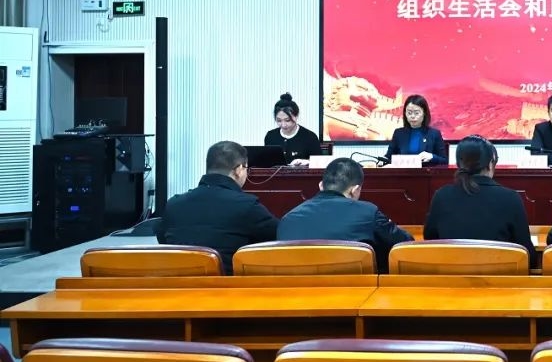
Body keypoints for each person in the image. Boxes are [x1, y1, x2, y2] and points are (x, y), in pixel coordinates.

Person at [155, 141, 278, 274]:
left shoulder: (173, 204)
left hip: (179, 284)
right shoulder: (247, 205)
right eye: (246, 168)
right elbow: (278, 237)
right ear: (238, 170)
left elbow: (163, 240)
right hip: (228, 285)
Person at [277, 157, 413, 272]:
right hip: (356, 292)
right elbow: (406, 246)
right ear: (355, 190)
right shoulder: (368, 213)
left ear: (321, 186)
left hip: (294, 293)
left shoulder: (288, 219)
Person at [424, 135, 537, 266]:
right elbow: (527, 255)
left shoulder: (442, 196)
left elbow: (430, 241)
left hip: (451, 274)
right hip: (498, 275)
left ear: (459, 164)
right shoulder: (511, 198)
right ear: (490, 164)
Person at [384, 94, 448, 166]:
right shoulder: (398, 133)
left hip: (425, 172)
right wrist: (381, 161)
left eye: (416, 113)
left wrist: (432, 157)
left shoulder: (434, 134)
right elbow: (388, 158)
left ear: (424, 113)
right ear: (405, 113)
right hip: (403, 172)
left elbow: (444, 161)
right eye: (409, 113)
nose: (412, 116)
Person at [264, 92, 322, 166]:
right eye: (279, 120)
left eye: (287, 120)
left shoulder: (310, 137)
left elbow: (319, 164)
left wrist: (306, 162)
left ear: (296, 116)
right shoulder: (270, 136)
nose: (283, 125)